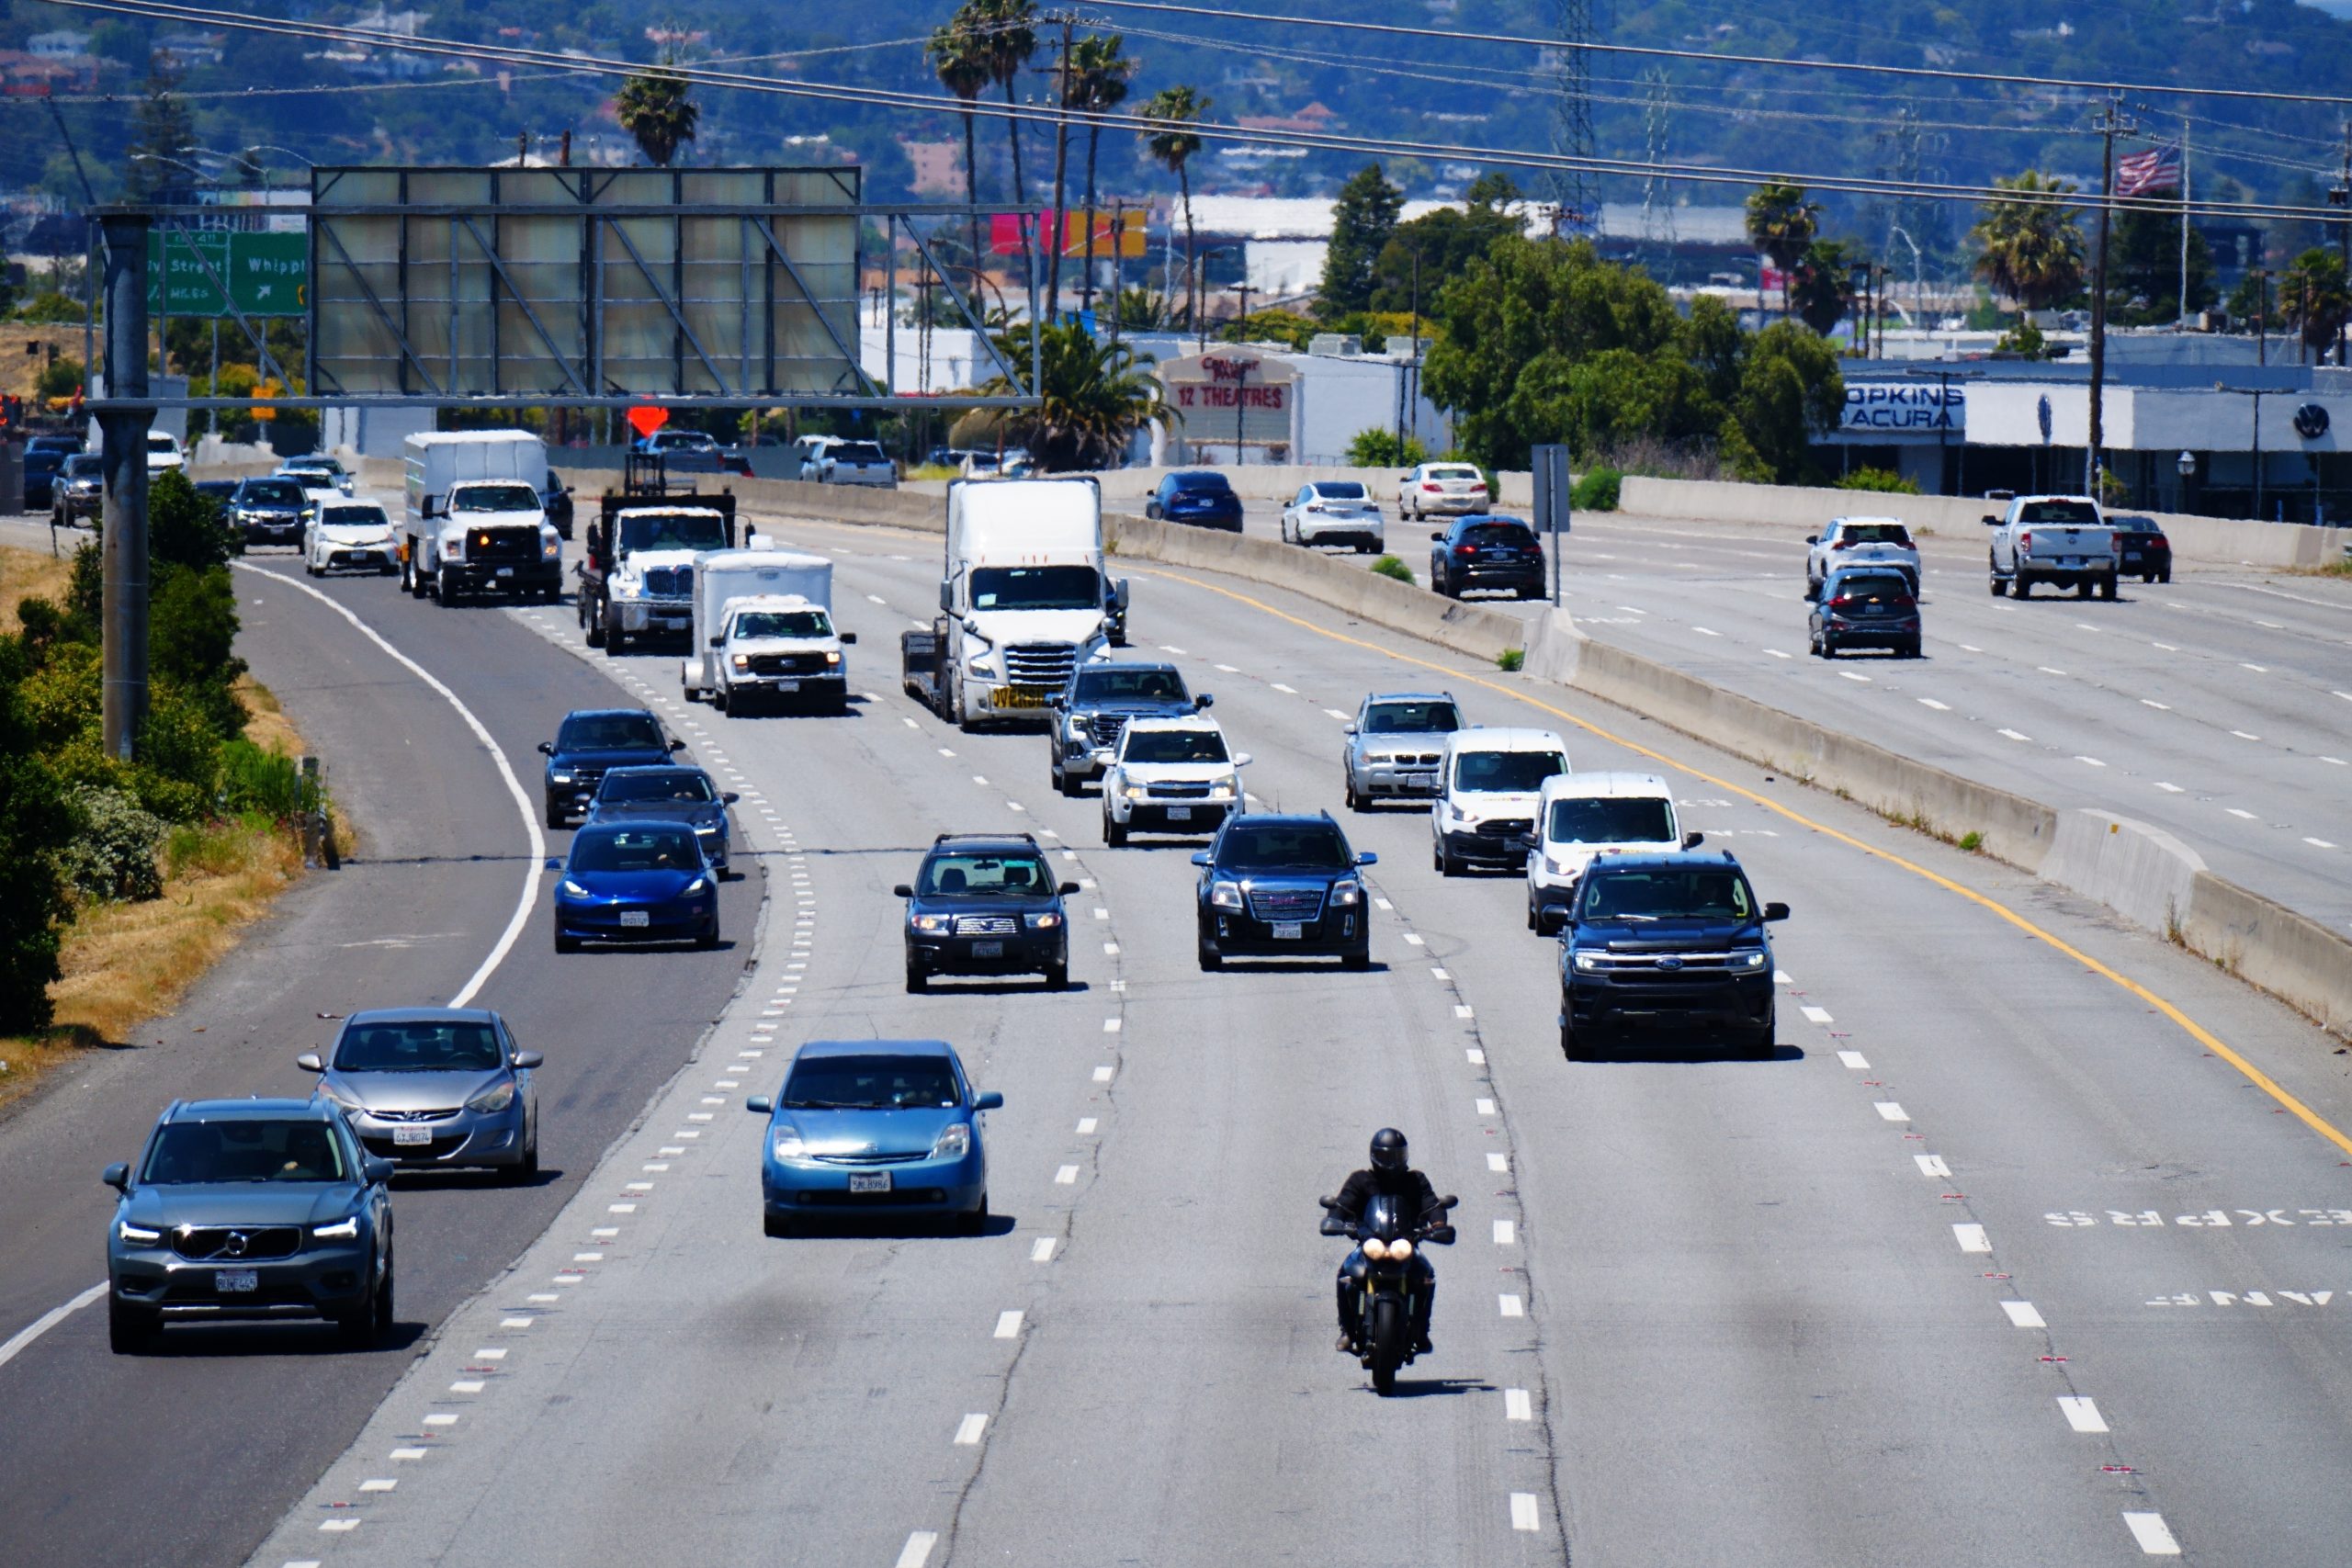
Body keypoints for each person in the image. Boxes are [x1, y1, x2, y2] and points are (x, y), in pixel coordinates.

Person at [1329, 1127, 1442, 1355]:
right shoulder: (1361, 1180)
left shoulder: (1415, 1180)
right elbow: (1341, 1206)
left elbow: (1432, 1205)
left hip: (1406, 1244)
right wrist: (1335, 1221)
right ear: (1374, 1155)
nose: (1391, 1163)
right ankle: (1348, 1330)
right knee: (1345, 1275)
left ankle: (1421, 1330)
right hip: (1369, 1244)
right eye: (1385, 1157)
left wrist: (1438, 1225)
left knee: (1426, 1276)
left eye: (1396, 1157)